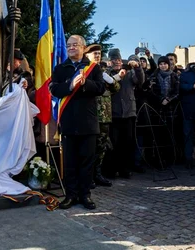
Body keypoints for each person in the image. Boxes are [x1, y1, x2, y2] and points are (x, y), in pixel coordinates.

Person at [50, 35, 105, 210]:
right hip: (68, 122)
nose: (71, 48)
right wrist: (70, 85)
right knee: (70, 162)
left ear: (83, 47)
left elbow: (101, 88)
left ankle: (85, 195)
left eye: (75, 45)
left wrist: (85, 83)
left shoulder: (93, 68)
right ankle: (70, 195)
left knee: (87, 162)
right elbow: (54, 89)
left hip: (88, 123)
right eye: (69, 45)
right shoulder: (60, 68)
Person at [84, 43, 120, 188]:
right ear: (87, 55)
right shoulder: (86, 71)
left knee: (102, 147)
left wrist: (110, 80)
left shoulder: (104, 71)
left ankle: (98, 174)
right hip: (90, 116)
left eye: (99, 53)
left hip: (104, 115)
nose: (98, 56)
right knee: (89, 148)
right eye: (95, 54)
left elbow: (116, 88)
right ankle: (89, 176)